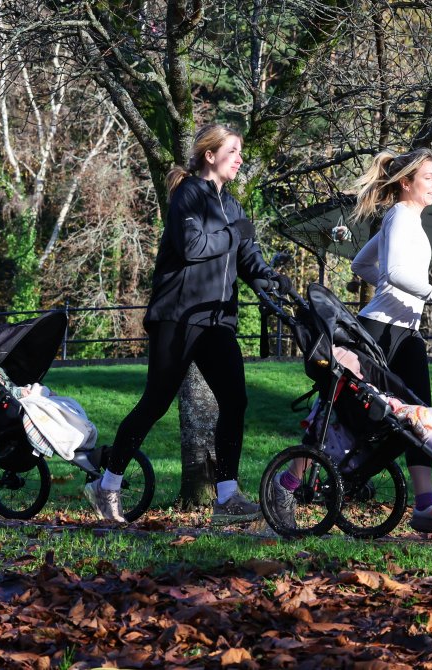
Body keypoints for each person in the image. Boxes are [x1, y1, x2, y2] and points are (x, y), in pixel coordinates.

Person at [84, 123, 286, 525]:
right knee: (155, 402)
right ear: (210, 156)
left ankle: (226, 496)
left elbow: (248, 261)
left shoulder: (233, 206)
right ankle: (106, 485)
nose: (240, 159)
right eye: (233, 151)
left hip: (216, 319)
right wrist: (236, 234)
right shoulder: (188, 195)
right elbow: (194, 247)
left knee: (235, 400)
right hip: (177, 316)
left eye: (242, 151)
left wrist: (271, 280)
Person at [347, 147, 432, 533]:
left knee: (420, 414)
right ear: (406, 183)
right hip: (381, 331)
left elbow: (361, 265)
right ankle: (291, 484)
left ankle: (425, 507)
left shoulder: (405, 220)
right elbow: (396, 272)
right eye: (429, 177)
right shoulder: (400, 215)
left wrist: (389, 286)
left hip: (404, 332)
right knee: (344, 412)